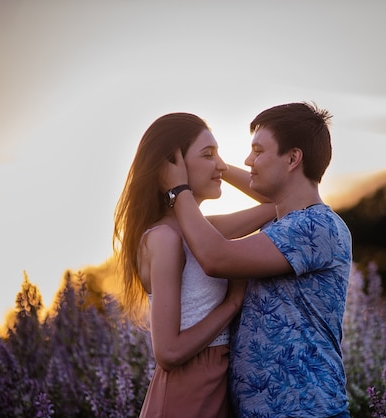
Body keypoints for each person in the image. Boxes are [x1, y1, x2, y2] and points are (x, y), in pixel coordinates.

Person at [162, 102, 352, 417]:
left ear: (293, 158)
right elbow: (263, 203)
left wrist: (177, 189)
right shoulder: (277, 226)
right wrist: (216, 169)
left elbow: (215, 257)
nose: (249, 160)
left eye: (258, 151)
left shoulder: (316, 226)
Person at [113, 112, 276, 418]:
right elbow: (168, 352)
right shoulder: (164, 238)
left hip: (213, 387)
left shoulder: (202, 233)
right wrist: (232, 305)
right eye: (208, 154)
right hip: (185, 396)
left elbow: (278, 202)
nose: (221, 164)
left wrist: (218, 169)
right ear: (171, 166)